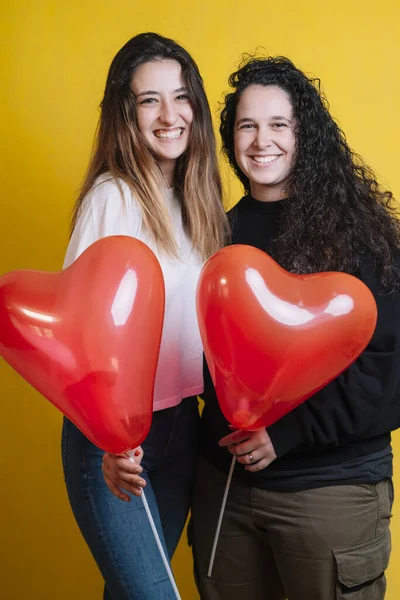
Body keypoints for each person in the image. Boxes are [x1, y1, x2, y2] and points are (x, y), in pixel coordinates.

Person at [191, 55, 400, 600]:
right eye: (247, 125)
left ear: (305, 134)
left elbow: (389, 373)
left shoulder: (361, 235)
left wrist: (287, 433)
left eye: (279, 124)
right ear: (231, 137)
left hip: (327, 491)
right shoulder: (217, 234)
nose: (262, 141)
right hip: (225, 492)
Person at [62, 32, 228, 600]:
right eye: (148, 99)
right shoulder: (112, 198)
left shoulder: (198, 203)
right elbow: (76, 333)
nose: (169, 115)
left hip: (182, 426)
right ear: (125, 114)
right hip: (114, 441)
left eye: (180, 97)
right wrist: (109, 441)